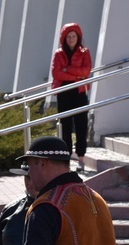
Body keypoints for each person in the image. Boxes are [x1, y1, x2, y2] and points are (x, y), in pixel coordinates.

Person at [51, 23, 92, 171]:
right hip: (64, 92)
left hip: (79, 92)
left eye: (73, 36)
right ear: (64, 38)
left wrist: (67, 69)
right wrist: (77, 76)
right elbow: (56, 73)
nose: (71, 39)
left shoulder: (84, 52)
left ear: (78, 37)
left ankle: (81, 157)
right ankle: (66, 157)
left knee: (81, 125)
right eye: (68, 36)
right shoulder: (58, 53)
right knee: (65, 126)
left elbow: (86, 71)